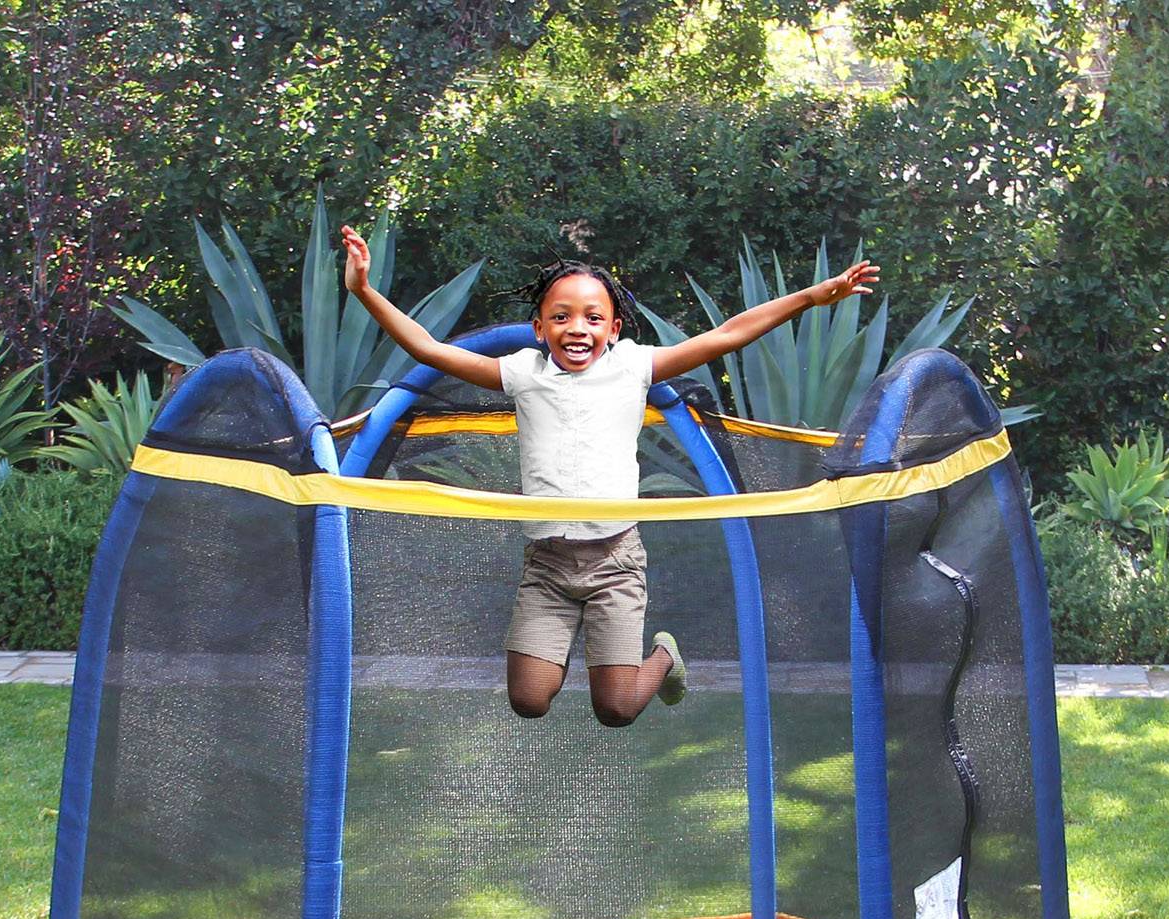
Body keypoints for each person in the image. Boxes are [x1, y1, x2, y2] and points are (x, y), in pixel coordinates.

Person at [340, 226, 878, 727]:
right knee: (528, 699)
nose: (578, 328)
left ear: (614, 329)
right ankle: (569, 647)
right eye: (562, 316)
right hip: (547, 563)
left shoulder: (633, 367)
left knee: (616, 708)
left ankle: (663, 656)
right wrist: (364, 289)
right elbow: (428, 350)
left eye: (593, 318)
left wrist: (810, 297)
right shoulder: (522, 371)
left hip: (614, 559)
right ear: (539, 328)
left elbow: (726, 336)